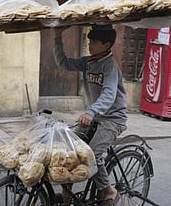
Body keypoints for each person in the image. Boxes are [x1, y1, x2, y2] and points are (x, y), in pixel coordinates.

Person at [53, 24, 127, 206]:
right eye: (89, 40)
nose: (90, 44)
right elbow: (63, 63)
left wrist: (91, 111)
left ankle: (109, 190)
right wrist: (57, 37)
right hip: (95, 117)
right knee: (70, 150)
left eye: (94, 41)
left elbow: (109, 94)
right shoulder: (88, 62)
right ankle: (66, 194)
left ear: (106, 44)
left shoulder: (110, 66)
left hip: (113, 119)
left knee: (92, 154)